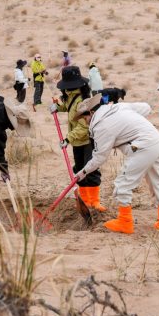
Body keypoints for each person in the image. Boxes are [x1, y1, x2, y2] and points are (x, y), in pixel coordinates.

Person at [73, 94, 159, 234]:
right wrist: (130, 123)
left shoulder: (101, 126)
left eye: (85, 118)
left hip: (142, 147)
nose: (86, 121)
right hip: (157, 141)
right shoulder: (118, 107)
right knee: (157, 183)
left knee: (123, 185)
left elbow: (100, 157)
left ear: (92, 112)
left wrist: (82, 172)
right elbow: (146, 108)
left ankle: (125, 222)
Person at [50, 66, 105, 211]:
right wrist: (57, 107)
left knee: (90, 170)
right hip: (77, 142)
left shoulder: (83, 101)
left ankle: (95, 201)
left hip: (87, 141)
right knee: (80, 170)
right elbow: (68, 108)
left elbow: (83, 127)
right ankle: (85, 201)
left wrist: (68, 139)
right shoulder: (71, 95)